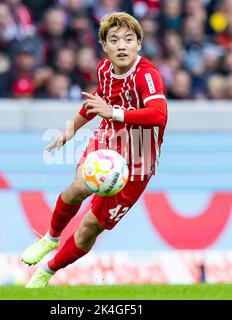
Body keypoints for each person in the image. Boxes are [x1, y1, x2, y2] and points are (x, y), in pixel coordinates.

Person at [22, 12, 168, 288]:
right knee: (78, 187)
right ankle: (50, 238)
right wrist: (71, 129)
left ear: (139, 43)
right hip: (108, 143)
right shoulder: (104, 69)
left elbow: (158, 115)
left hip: (139, 162)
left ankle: (47, 271)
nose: (121, 46)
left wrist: (113, 112)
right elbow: (97, 103)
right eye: (114, 40)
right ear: (104, 46)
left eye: (128, 39)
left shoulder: (148, 76)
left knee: (90, 228)